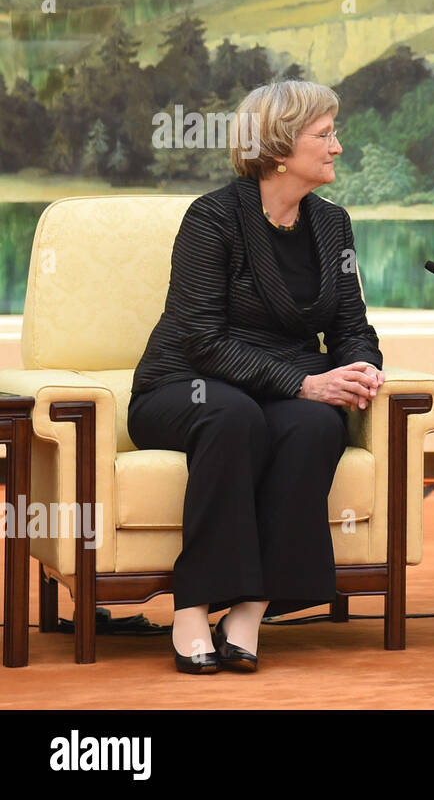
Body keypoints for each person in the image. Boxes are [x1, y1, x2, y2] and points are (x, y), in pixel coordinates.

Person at [128, 80, 385, 674]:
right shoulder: (213, 217)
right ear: (277, 147)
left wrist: (360, 369)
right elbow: (202, 339)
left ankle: (251, 607)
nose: (337, 148)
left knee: (317, 426)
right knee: (233, 414)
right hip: (184, 382)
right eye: (324, 135)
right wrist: (303, 382)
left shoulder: (331, 225)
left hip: (275, 387)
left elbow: (351, 325)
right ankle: (192, 605)